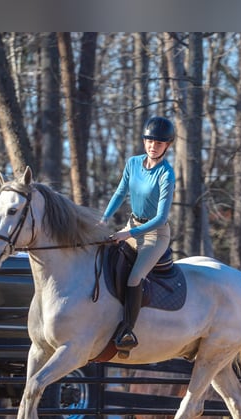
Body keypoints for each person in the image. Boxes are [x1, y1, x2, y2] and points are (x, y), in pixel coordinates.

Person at [100, 115, 176, 356]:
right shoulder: (133, 163)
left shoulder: (166, 174)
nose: (153, 146)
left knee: (134, 278)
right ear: (144, 141)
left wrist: (127, 234)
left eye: (159, 143)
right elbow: (120, 192)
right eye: (150, 140)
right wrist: (103, 219)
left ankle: (126, 332)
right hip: (132, 225)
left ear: (167, 146)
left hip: (155, 235)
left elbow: (161, 218)